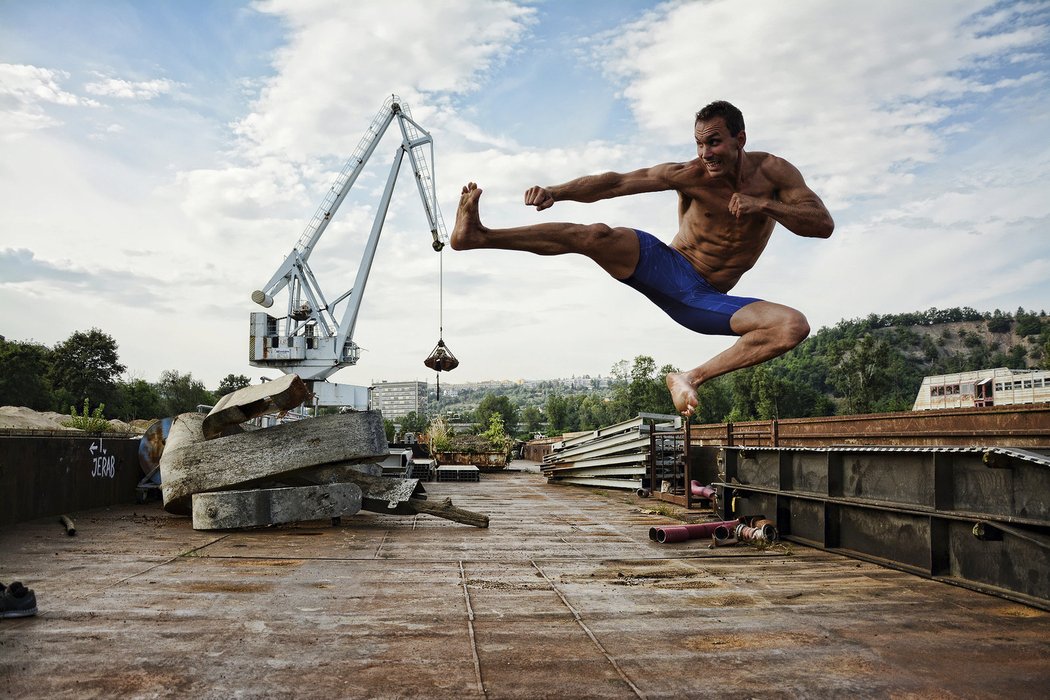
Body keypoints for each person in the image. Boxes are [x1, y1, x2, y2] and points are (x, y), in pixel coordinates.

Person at [450, 100, 834, 417]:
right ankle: (478, 236)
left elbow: (822, 224)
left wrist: (763, 205)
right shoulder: (692, 174)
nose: (705, 154)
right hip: (669, 266)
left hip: (705, 299)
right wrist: (556, 191)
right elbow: (618, 182)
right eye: (699, 144)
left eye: (714, 143)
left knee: (791, 326)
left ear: (740, 139)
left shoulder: (775, 173)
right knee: (596, 235)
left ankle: (689, 377)